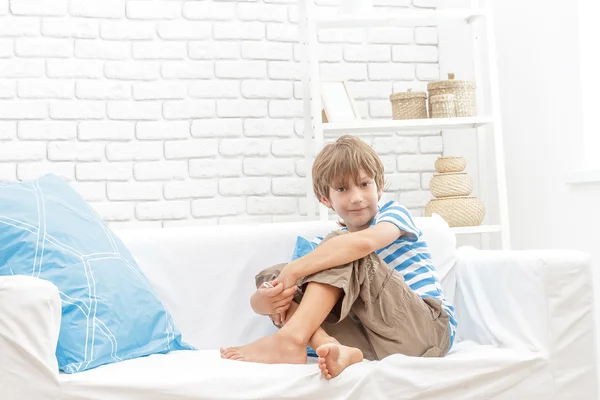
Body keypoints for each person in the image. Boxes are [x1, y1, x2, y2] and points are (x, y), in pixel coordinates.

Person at [221, 135, 457, 380]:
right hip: (375, 342)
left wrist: (294, 270)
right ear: (325, 198)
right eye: (342, 189)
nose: (356, 197)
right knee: (274, 274)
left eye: (365, 184)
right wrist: (266, 299)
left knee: (336, 250)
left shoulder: (393, 214)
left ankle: (291, 338)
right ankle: (329, 345)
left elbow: (363, 243)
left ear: (380, 185)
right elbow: (264, 299)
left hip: (426, 332)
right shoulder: (323, 250)